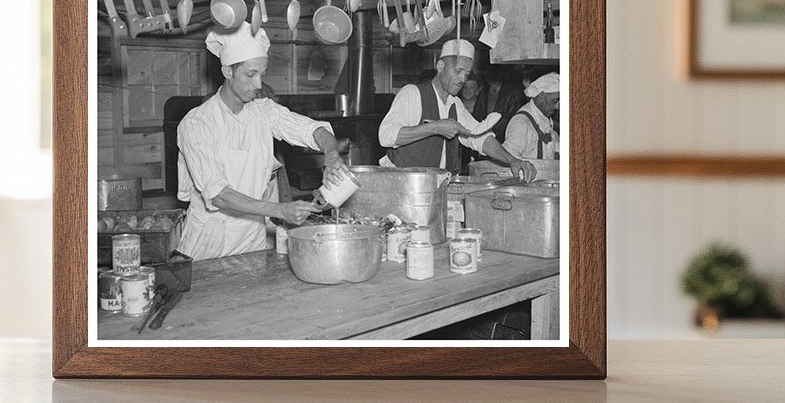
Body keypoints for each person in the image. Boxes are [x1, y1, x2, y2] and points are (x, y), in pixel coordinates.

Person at [177, 22, 345, 260]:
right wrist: (279, 210)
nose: (259, 85)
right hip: (208, 244)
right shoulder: (197, 123)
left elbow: (314, 130)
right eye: (250, 74)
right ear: (227, 72)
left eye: (262, 74)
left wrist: (331, 155)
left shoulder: (264, 111)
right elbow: (219, 195)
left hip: (251, 241)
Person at [378, 40, 536, 182]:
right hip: (401, 183)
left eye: (466, 74)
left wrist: (512, 160)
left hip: (435, 187)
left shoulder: (455, 104)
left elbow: (479, 137)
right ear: (440, 66)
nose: (462, 79)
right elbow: (386, 136)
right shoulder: (413, 93)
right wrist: (435, 127)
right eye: (458, 71)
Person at [503, 72, 560, 161]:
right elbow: (509, 158)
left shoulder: (545, 118)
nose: (557, 107)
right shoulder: (521, 123)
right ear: (541, 96)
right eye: (555, 101)